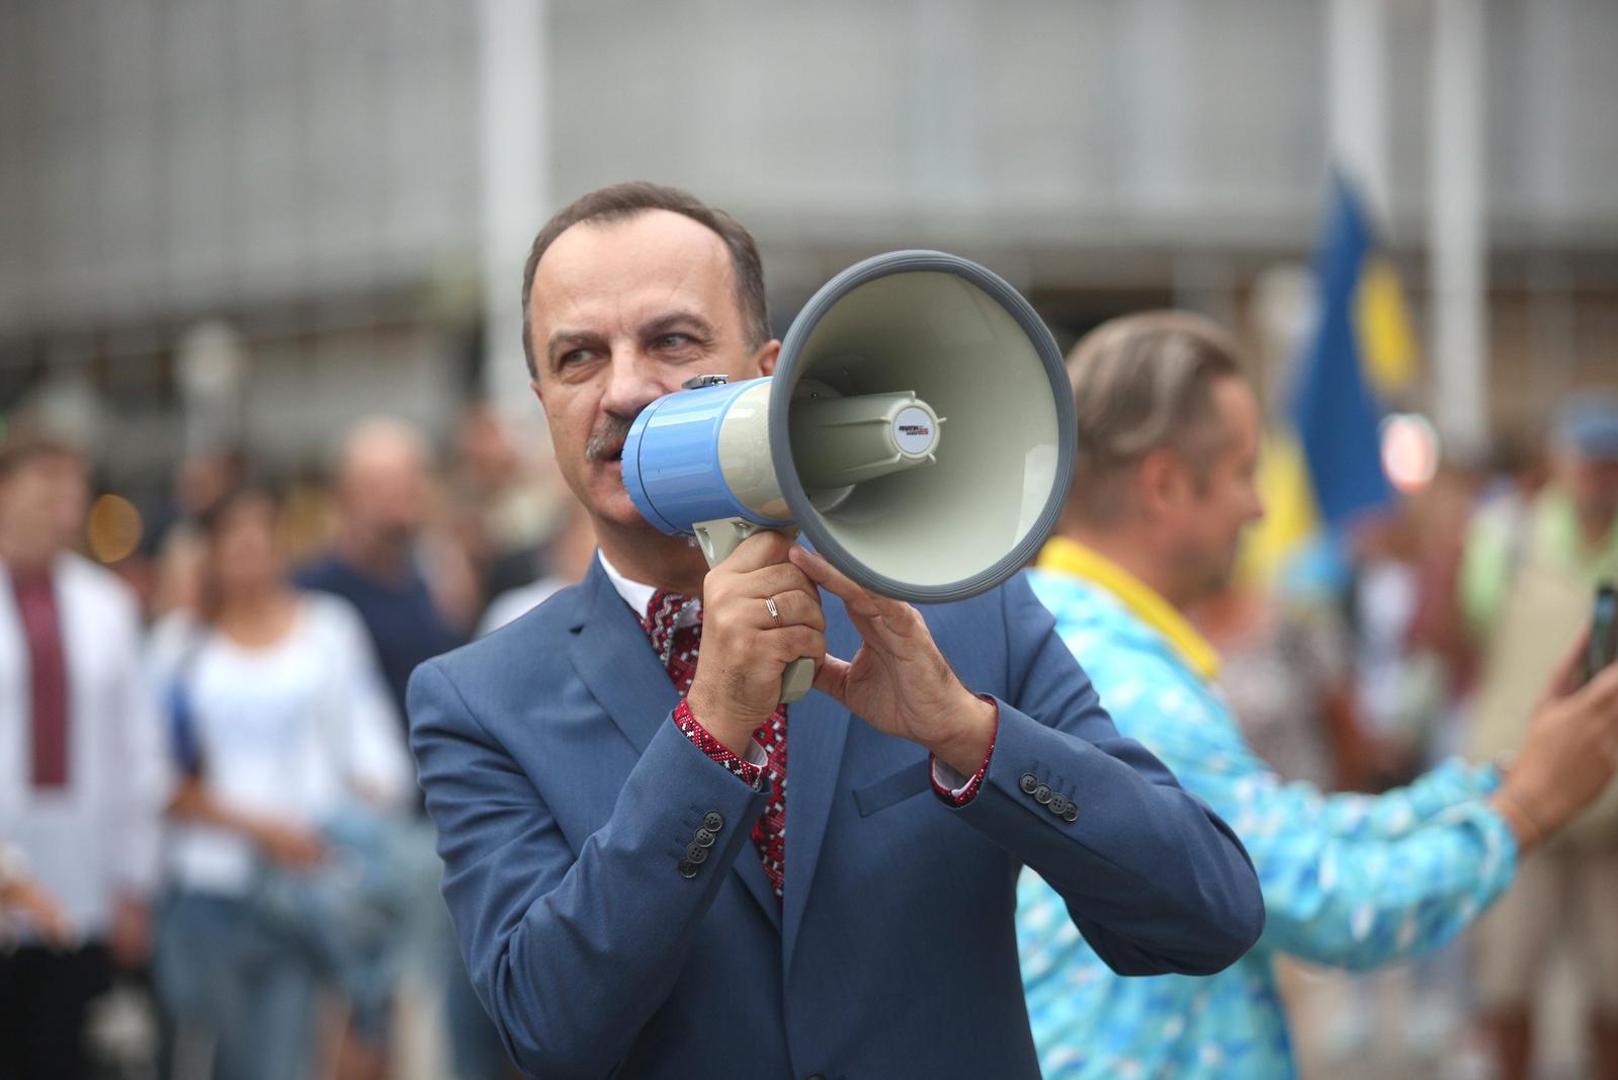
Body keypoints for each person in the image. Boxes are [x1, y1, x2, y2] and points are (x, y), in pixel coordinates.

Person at [407, 181, 1265, 1078]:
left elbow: (1211, 912)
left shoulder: (963, 610)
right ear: (542, 397)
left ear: (768, 373)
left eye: (672, 341)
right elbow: (549, 1027)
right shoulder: (479, 701)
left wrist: (970, 736)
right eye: (579, 356)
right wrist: (707, 740)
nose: (625, 389)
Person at [1014, 313, 1618, 1079]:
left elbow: (1289, 831)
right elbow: (1334, 905)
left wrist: (1507, 778)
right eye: (1243, 472)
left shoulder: (1073, 645)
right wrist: (1528, 807)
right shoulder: (1123, 691)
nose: (1259, 508)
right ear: (1165, 484)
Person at [150, 485, 415, 1080]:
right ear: (210, 552)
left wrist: (356, 819)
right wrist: (263, 829)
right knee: (210, 1055)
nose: (248, 550)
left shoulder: (328, 628)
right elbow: (159, 779)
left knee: (289, 1056)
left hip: (304, 881)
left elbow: (375, 751)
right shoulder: (179, 647)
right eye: (232, 538)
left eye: (260, 534)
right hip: (210, 886)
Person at [0, 431, 170, 1080]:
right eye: (44, 489)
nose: (61, 508)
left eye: (72, 492)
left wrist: (135, 878)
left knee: (64, 1049)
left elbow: (137, 749)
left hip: (81, 869)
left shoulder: (106, 606)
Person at [1462, 392, 1618, 1079]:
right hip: (1521, 786)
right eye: (1589, 463)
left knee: (1613, 988)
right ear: (1561, 463)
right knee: (1507, 980)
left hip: (1612, 815)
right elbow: (1463, 636)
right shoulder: (1509, 534)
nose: (1600, 479)